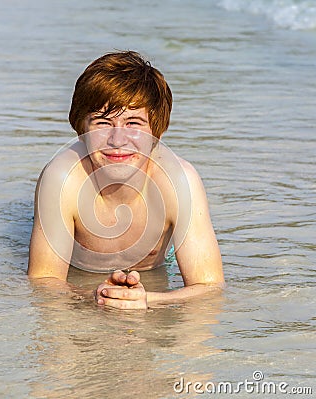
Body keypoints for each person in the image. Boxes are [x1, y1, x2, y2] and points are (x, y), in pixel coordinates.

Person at [28, 50, 224, 310]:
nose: (118, 140)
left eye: (133, 123)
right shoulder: (62, 179)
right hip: (78, 284)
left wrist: (147, 300)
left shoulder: (179, 182)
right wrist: (94, 296)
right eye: (102, 122)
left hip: (150, 283)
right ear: (81, 129)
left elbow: (210, 288)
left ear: (157, 130)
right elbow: (43, 282)